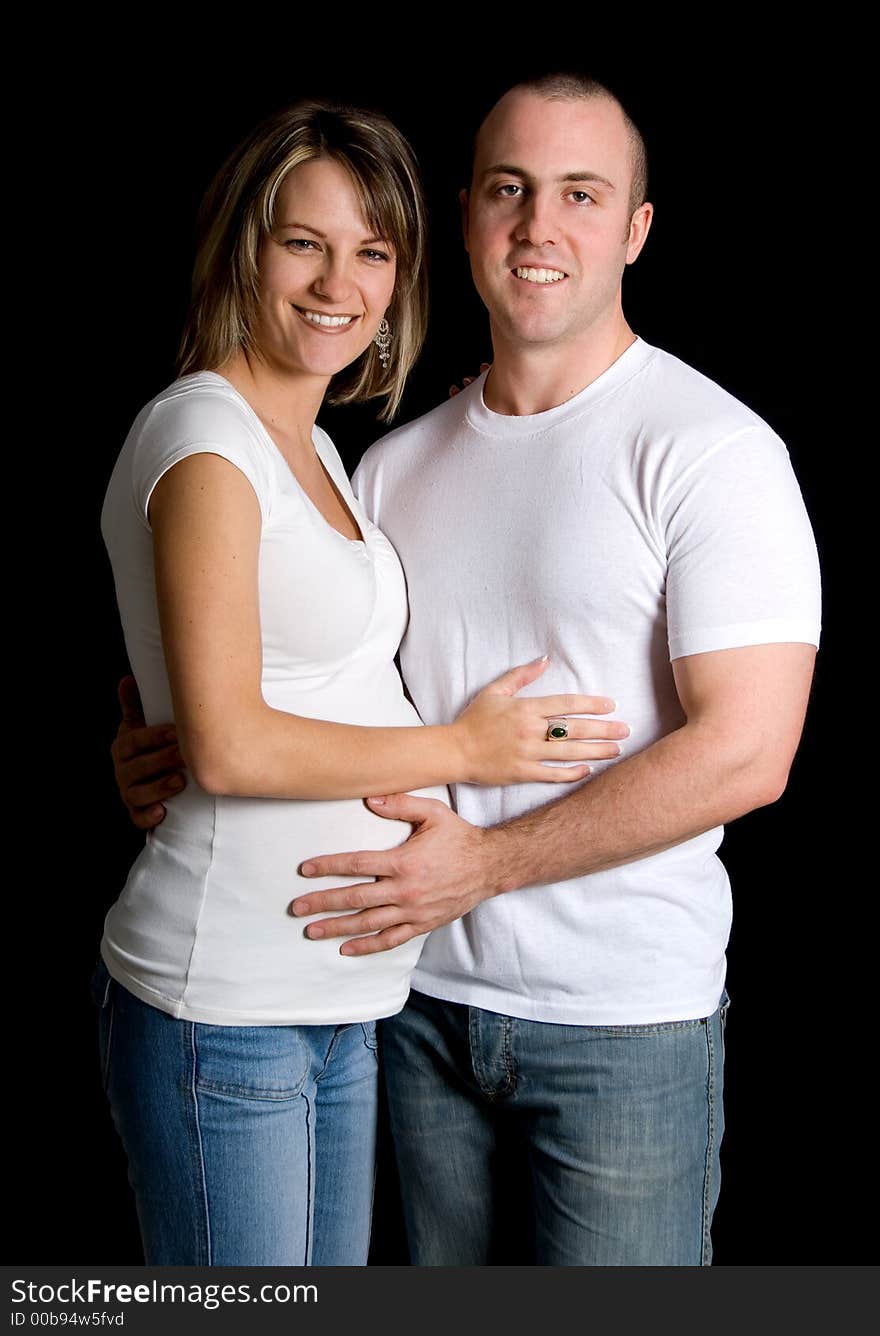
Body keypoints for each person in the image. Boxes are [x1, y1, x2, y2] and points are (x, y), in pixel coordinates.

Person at [113, 74, 821, 1266]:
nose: (540, 227)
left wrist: (484, 863)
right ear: (467, 216)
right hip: (411, 1008)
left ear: (636, 230)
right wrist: (166, 736)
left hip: (615, 1024)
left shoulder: (710, 450)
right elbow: (307, 676)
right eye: (510, 190)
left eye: (581, 195)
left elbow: (749, 751)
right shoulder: (385, 463)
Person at [94, 96, 628, 1270]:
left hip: (339, 1001)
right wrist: (464, 750)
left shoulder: (321, 448)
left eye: (372, 252)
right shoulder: (205, 442)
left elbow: (285, 675)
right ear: (246, 245)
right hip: (224, 1000)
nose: (340, 282)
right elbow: (231, 746)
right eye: (305, 242)